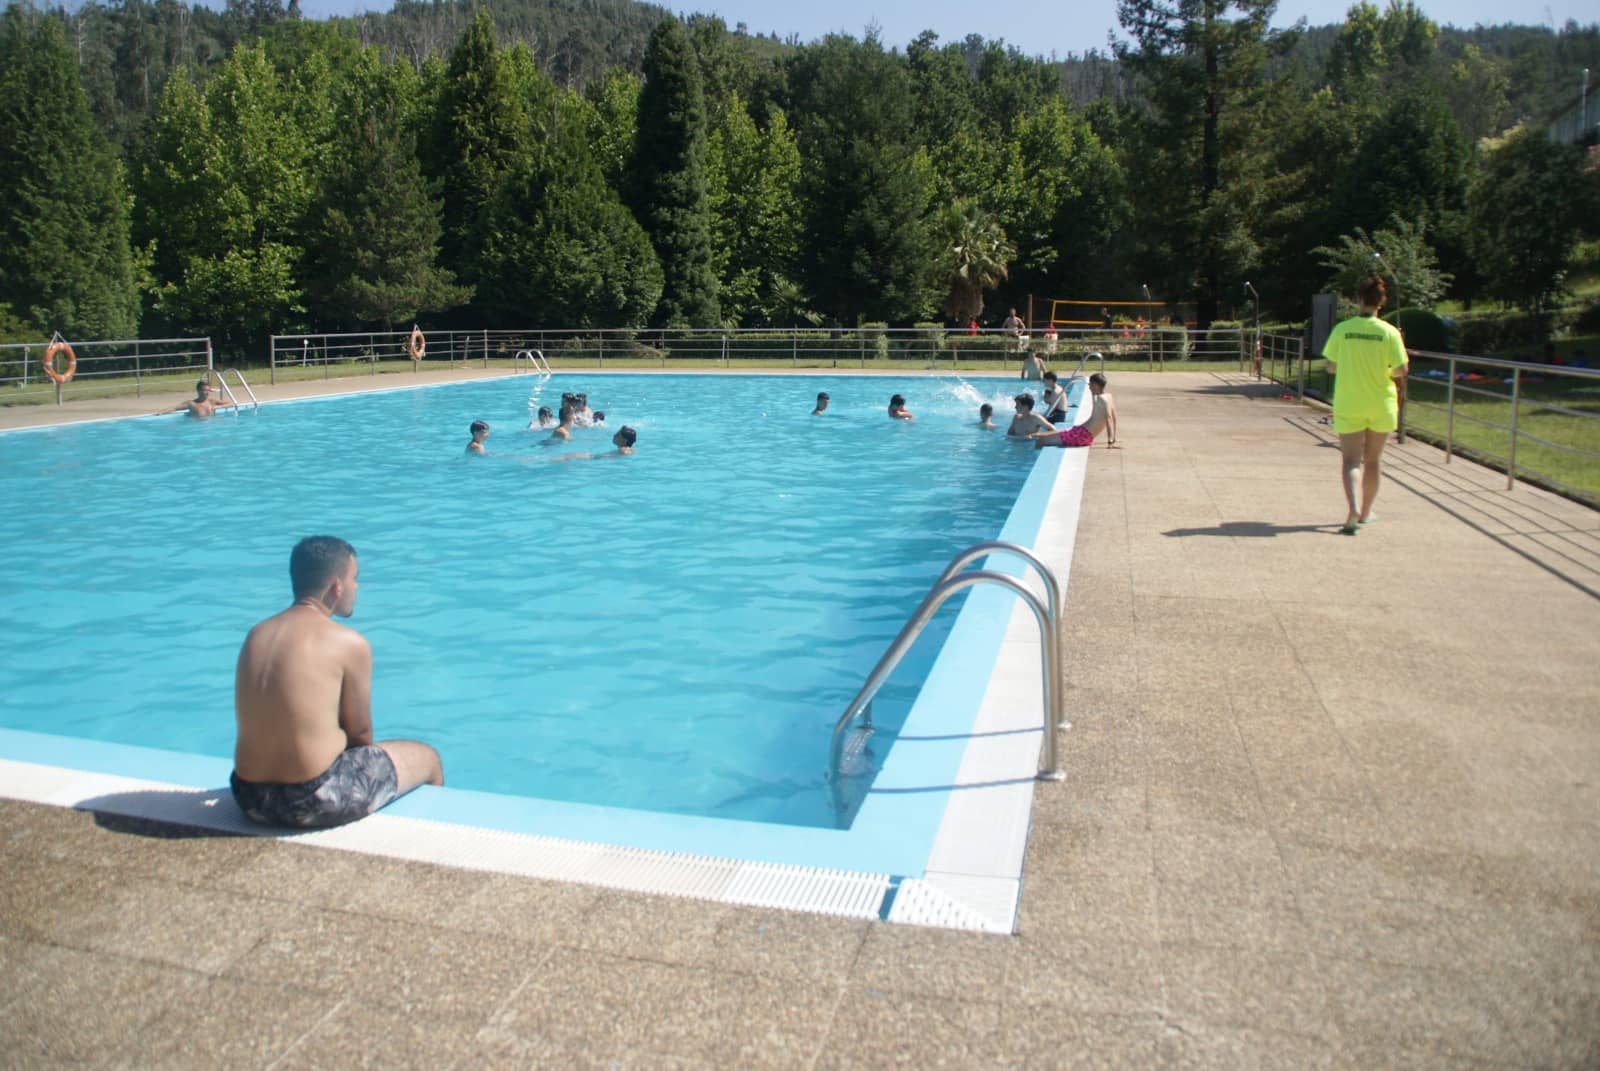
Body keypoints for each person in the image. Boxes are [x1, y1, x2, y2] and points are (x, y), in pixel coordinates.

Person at [231, 536, 443, 829]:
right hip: (312, 800)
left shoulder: (257, 633)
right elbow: (360, 736)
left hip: (248, 798)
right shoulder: (348, 643)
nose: (356, 587)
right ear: (336, 586)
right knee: (428, 759)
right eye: (354, 578)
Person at [1323, 276, 1408, 534]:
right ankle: (1367, 512)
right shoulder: (1389, 332)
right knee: (1373, 460)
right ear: (1381, 302)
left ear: (1358, 300)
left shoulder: (1343, 329)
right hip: (1381, 402)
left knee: (1351, 461)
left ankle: (1353, 507)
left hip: (1350, 401)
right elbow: (1402, 369)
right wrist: (1386, 372)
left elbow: (1330, 366)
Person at [1032, 373, 1117, 449]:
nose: (1089, 387)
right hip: (1081, 431)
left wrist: (1110, 440)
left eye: (1090, 384)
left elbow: (1109, 418)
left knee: (1041, 440)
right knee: (1043, 434)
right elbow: (1114, 417)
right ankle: (1032, 435)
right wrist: (1114, 437)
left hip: (1082, 436)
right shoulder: (1108, 396)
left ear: (1096, 385)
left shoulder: (1101, 399)